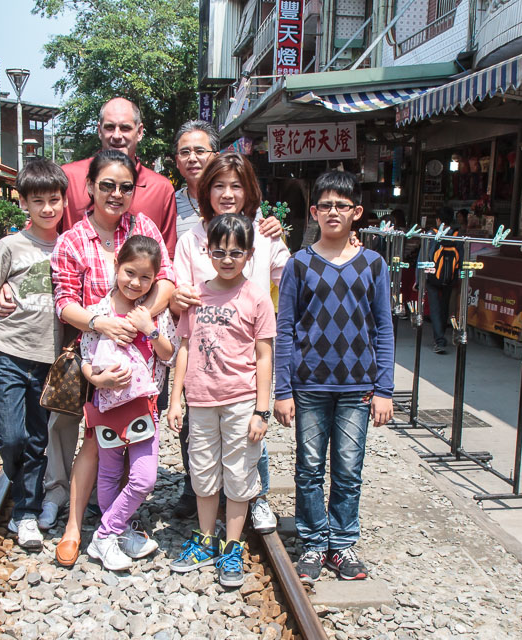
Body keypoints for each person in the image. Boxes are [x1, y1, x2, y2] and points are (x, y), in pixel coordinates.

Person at [50, 149, 175, 567]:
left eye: (125, 187)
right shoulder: (72, 239)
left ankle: (118, 527)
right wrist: (103, 324)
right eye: (107, 185)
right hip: (97, 357)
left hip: (142, 361)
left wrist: (139, 321)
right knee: (95, 444)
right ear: (89, 187)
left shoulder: (143, 227)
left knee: (133, 445)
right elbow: (64, 303)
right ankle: (76, 528)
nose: (116, 194)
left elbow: (167, 281)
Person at [273, 170, 394, 585]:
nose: (333, 212)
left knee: (348, 469)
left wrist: (384, 389)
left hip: (358, 387)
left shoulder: (373, 264)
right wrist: (283, 390)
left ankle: (341, 543)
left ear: (356, 212)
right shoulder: (299, 264)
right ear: (313, 212)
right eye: (325, 205)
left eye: (342, 205)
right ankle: (312, 542)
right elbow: (285, 329)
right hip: (309, 385)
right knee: (308, 468)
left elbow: (384, 329)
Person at [170, 152, 289, 532]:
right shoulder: (191, 239)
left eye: (236, 186)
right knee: (203, 447)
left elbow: (291, 277)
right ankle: (204, 510)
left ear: (249, 190)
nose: (227, 193)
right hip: (204, 364)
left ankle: (257, 499)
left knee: (248, 444)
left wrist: (332, 243)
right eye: (219, 185)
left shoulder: (264, 233)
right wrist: (178, 297)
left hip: (247, 361)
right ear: (206, 190)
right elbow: (178, 292)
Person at [167, 214, 275, 587]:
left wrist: (262, 410)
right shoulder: (195, 296)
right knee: (203, 472)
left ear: (249, 254)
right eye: (219, 252)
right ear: (207, 252)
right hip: (200, 401)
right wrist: (176, 399)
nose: (227, 259)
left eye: (235, 252)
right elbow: (184, 348)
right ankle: (206, 540)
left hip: (240, 401)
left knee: (240, 474)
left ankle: (232, 547)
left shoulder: (257, 297)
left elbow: (264, 356)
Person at [0, 158, 67, 550]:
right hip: (9, 354)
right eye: (38, 201)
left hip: (49, 360)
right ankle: (21, 486)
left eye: (54, 200)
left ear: (64, 201)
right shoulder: (11, 246)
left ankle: (26, 512)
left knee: (36, 439)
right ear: (24, 203)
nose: (47, 208)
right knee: (11, 437)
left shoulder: (70, 245)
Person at [80, 235, 177, 570]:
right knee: (108, 474)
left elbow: (169, 355)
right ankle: (117, 535)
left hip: (144, 408)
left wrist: (150, 329)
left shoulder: (155, 314)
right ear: (117, 266)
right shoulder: (99, 312)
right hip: (107, 406)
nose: (136, 283)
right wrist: (98, 380)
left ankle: (105, 533)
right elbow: (85, 358)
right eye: (130, 273)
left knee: (144, 478)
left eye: (145, 277)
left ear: (155, 279)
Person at [61, 98, 176, 253]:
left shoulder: (161, 189)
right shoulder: (69, 178)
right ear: (99, 130)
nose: (116, 135)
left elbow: (167, 256)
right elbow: (41, 235)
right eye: (109, 127)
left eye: (125, 128)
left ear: (139, 132)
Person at [425, 207, 460, 354]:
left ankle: (439, 340)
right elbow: (461, 257)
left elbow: (424, 256)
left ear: (438, 220)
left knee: (434, 307)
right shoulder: (457, 235)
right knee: (444, 306)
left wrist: (419, 280)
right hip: (450, 277)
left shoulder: (432, 234)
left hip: (432, 276)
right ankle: (441, 336)